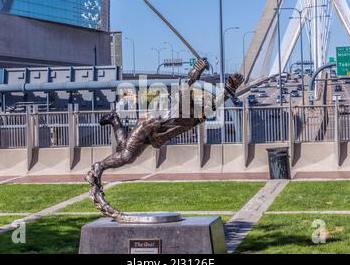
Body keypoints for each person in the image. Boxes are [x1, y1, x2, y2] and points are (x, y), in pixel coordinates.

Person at [86, 59, 243, 218]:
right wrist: (198, 69)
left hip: (155, 136)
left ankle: (114, 119)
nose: (205, 105)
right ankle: (99, 166)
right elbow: (188, 83)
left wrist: (230, 89)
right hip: (150, 126)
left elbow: (216, 104)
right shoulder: (184, 106)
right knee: (127, 155)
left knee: (125, 149)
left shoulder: (198, 116)